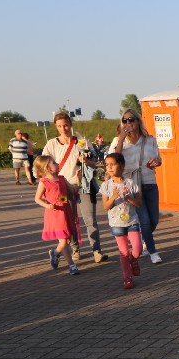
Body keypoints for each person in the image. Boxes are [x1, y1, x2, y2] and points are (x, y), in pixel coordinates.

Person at [43, 111, 104, 263]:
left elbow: (94, 163)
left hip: (84, 185)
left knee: (90, 219)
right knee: (68, 220)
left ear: (70, 124)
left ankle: (96, 250)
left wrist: (86, 161)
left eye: (65, 125)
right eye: (59, 126)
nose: (63, 129)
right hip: (63, 187)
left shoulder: (82, 141)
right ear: (56, 127)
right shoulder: (51, 144)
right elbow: (42, 166)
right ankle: (75, 249)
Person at [110, 109, 163, 263]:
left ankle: (143, 237)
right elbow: (114, 160)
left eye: (131, 119)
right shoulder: (118, 141)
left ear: (138, 121)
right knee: (144, 220)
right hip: (132, 185)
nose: (128, 123)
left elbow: (158, 158)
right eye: (124, 120)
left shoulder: (149, 140)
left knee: (153, 220)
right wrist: (121, 139)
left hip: (149, 182)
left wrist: (157, 162)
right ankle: (153, 252)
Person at [99, 152, 143, 290]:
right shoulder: (106, 186)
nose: (109, 167)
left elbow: (139, 203)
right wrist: (113, 197)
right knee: (123, 252)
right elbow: (106, 206)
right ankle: (127, 277)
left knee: (138, 248)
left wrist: (129, 198)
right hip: (116, 223)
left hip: (132, 221)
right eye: (107, 165)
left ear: (122, 166)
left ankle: (133, 260)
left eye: (113, 164)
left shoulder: (131, 183)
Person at [33, 154, 80, 275]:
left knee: (66, 240)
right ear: (47, 168)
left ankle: (55, 253)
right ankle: (71, 265)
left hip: (66, 211)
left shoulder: (62, 179)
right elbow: (37, 198)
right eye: (53, 163)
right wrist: (47, 205)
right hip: (55, 214)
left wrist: (78, 180)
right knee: (63, 241)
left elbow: (73, 190)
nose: (57, 164)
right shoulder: (44, 182)